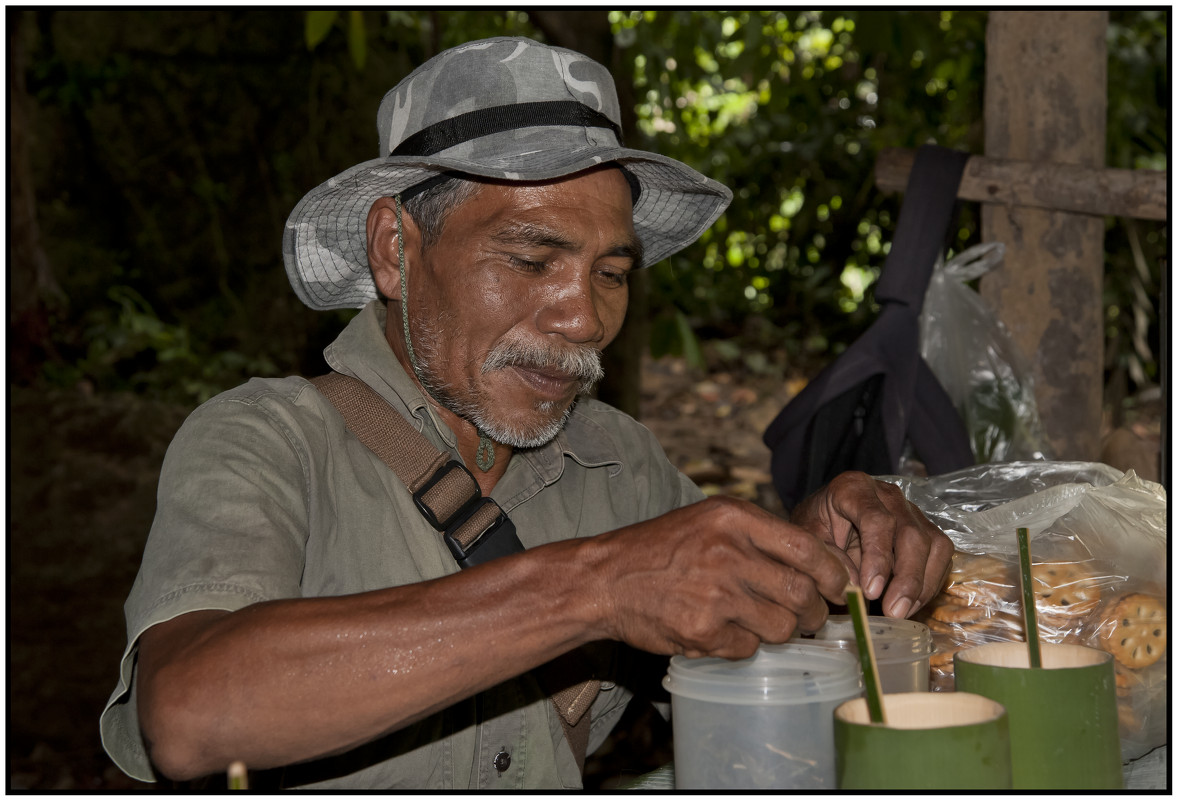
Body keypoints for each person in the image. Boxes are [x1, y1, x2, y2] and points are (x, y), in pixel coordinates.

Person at [100, 36, 953, 790]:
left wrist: (820, 550)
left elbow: (727, 603)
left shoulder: (615, 455)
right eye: (530, 258)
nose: (583, 318)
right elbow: (186, 714)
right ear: (396, 248)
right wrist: (596, 586)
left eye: (611, 273)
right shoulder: (266, 442)